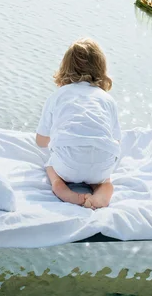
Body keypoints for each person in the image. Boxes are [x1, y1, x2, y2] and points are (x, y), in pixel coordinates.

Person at [36, 38, 121, 209]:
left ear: (65, 68)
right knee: (104, 179)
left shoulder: (58, 95)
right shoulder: (107, 100)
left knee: (50, 166)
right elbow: (116, 141)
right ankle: (102, 191)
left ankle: (60, 187)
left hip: (68, 165)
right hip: (101, 163)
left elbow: (41, 141)